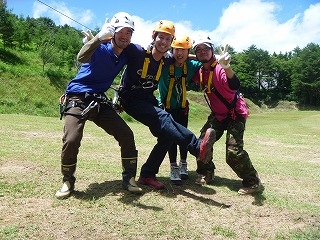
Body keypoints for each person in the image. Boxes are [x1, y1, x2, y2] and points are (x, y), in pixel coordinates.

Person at [118, 20, 216, 190]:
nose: (163, 42)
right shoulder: (138, 51)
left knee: (167, 135)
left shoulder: (167, 59)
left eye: (167, 39)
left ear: (171, 43)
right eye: (160, 37)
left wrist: (211, 58)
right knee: (165, 118)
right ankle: (198, 147)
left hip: (147, 99)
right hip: (130, 99)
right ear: (153, 37)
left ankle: (147, 174)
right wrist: (99, 39)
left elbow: (183, 55)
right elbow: (118, 44)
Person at [55, 12, 143, 199]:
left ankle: (129, 178)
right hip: (78, 98)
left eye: (129, 32)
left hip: (99, 101)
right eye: (121, 31)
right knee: (71, 139)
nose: (125, 36)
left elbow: (154, 51)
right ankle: (67, 180)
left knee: (126, 134)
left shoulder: (128, 53)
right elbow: (81, 57)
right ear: (112, 32)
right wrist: (96, 39)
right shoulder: (100, 48)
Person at [191, 36, 262, 194]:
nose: (203, 52)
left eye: (206, 49)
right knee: (201, 144)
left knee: (233, 152)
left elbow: (234, 84)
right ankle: (206, 173)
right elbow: (185, 61)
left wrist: (227, 67)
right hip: (217, 114)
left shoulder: (220, 68)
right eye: (199, 50)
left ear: (212, 50)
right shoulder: (201, 71)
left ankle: (253, 181)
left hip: (235, 113)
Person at [157, 34, 202, 184]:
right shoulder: (164, 63)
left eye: (184, 50)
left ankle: (183, 164)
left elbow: (204, 60)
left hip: (182, 109)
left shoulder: (191, 65)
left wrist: (189, 55)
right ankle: (173, 167)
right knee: (170, 139)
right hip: (166, 108)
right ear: (172, 49)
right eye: (177, 49)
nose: (180, 53)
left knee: (184, 137)